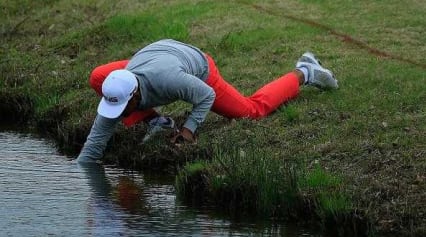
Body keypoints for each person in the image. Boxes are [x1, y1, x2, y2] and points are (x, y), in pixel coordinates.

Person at [76, 39, 338, 163]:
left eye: (123, 107)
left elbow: (206, 96)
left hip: (197, 66)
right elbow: (94, 144)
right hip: (155, 57)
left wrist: (188, 129)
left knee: (251, 111)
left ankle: (304, 72)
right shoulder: (121, 86)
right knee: (99, 76)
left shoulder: (171, 82)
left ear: (134, 95)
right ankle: (158, 121)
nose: (118, 114)